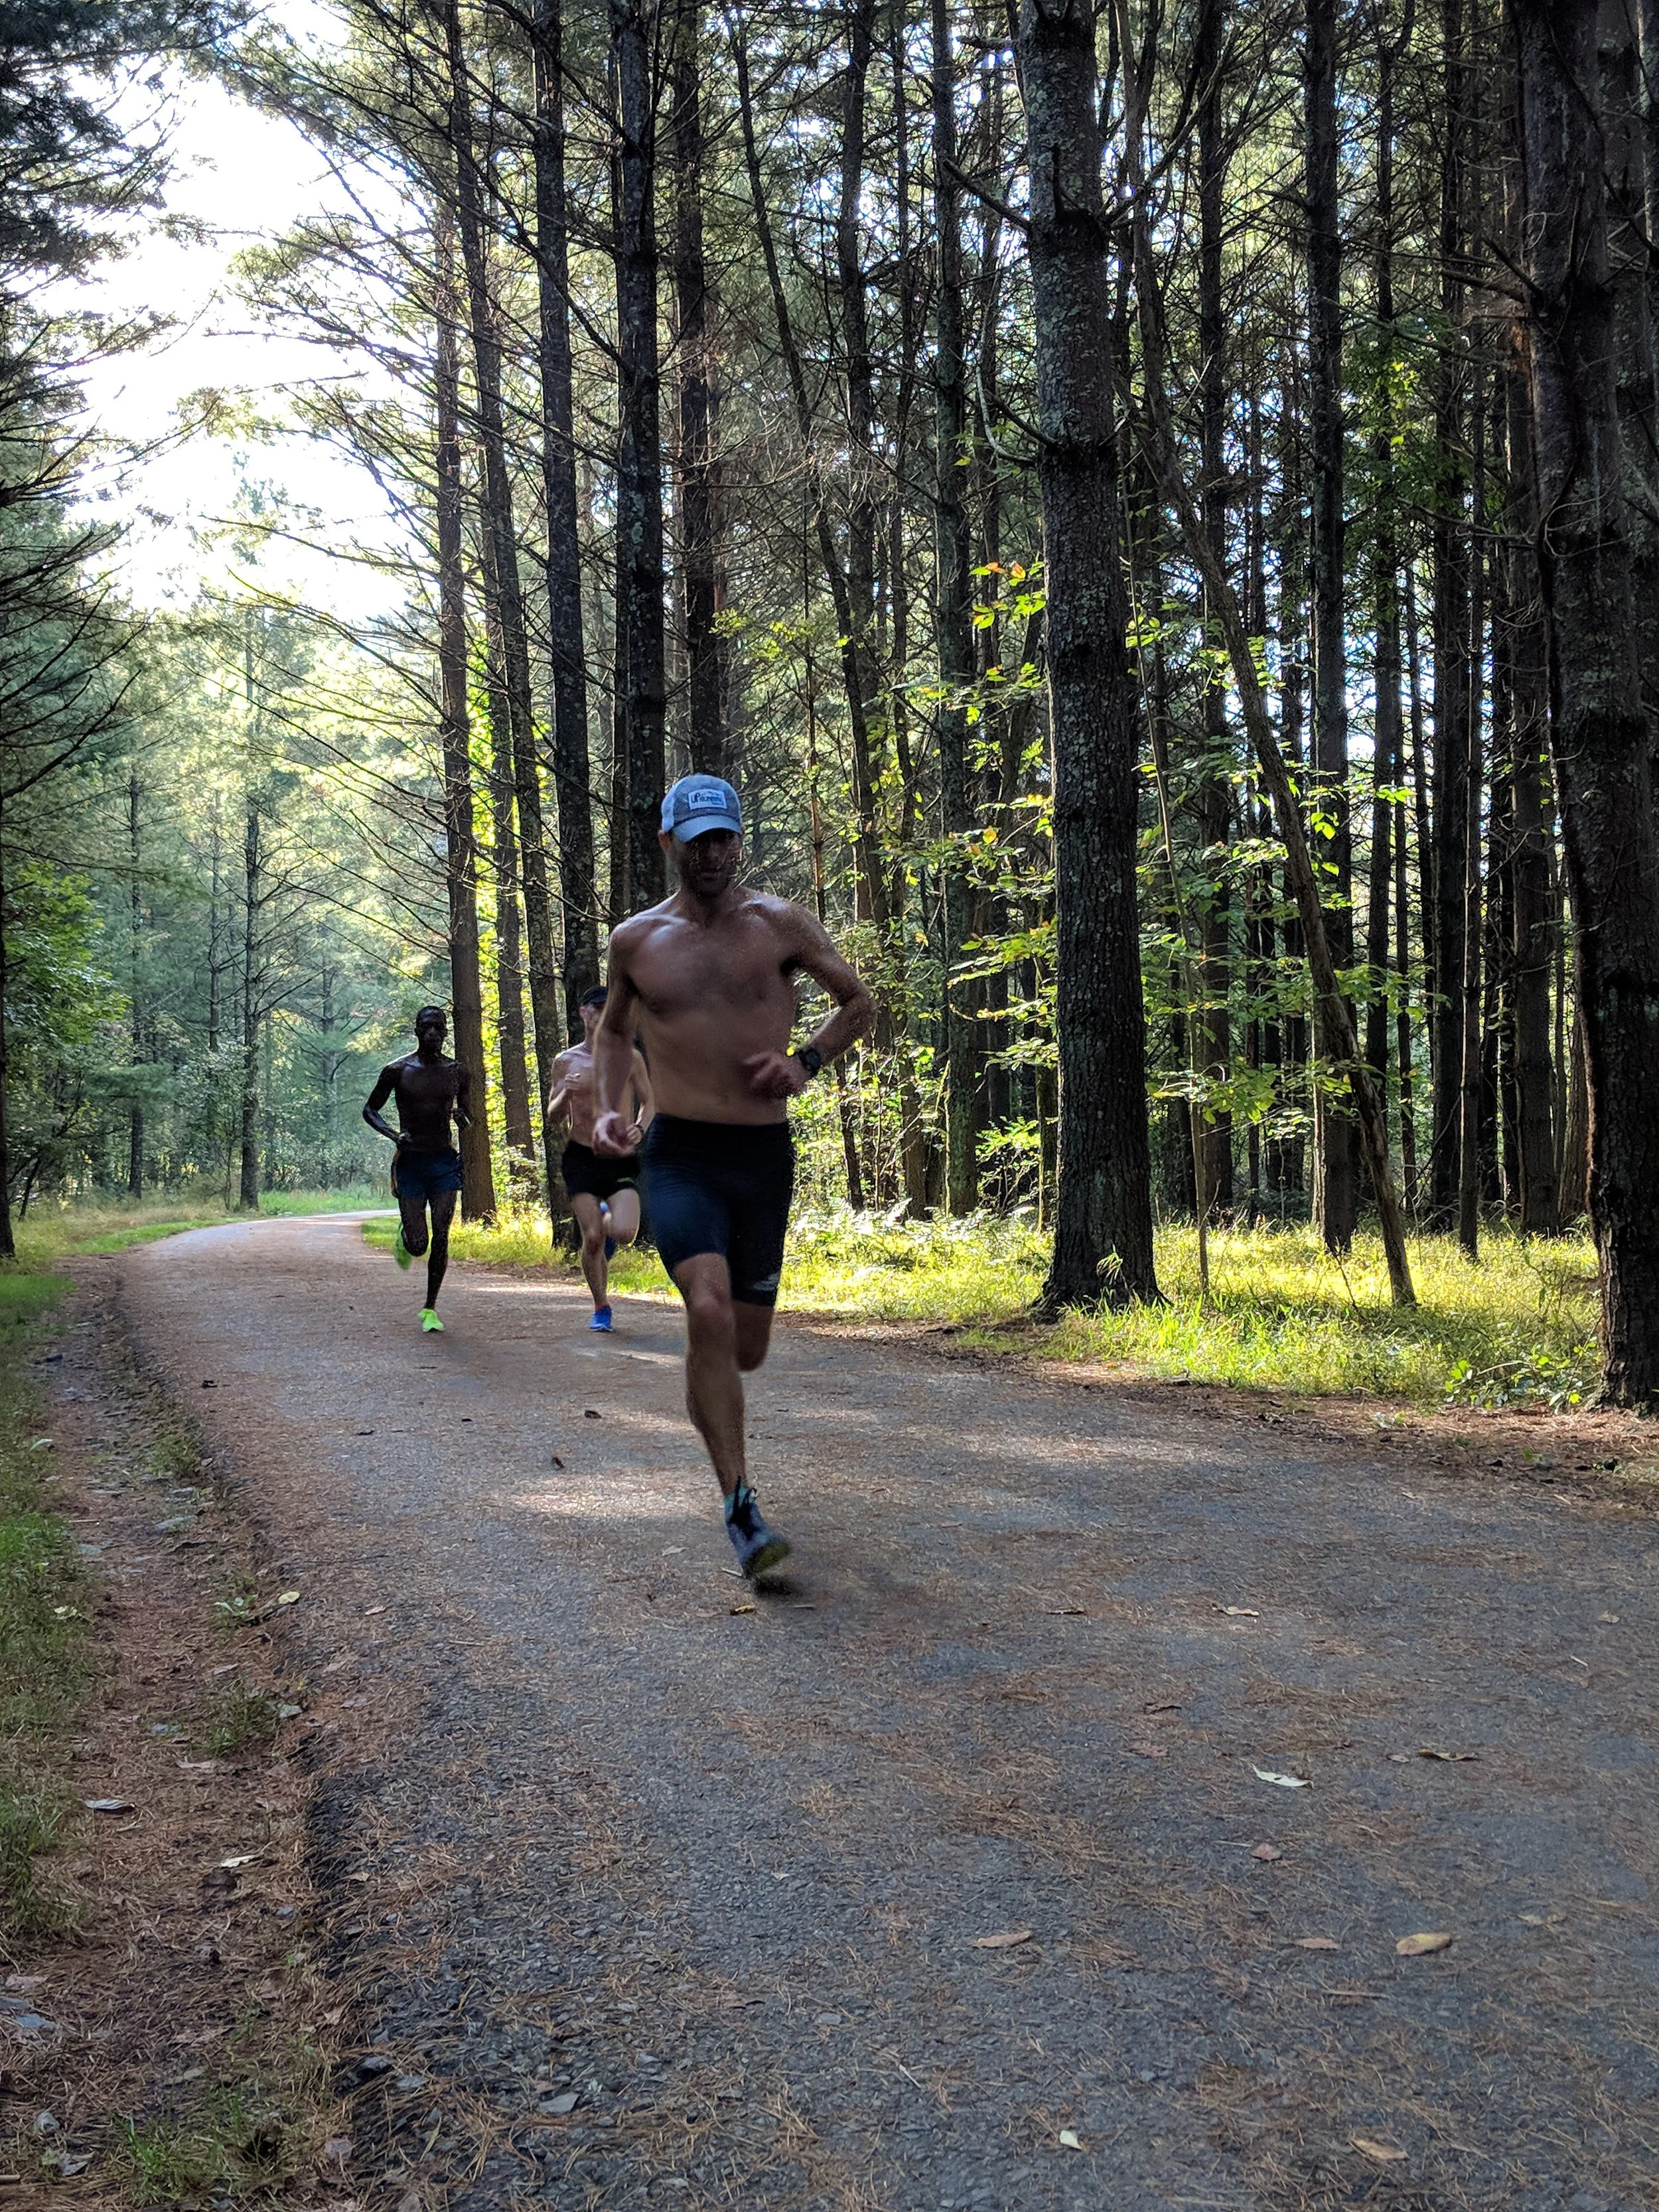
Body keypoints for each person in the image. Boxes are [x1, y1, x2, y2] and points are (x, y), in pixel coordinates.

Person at [591, 774, 874, 1576]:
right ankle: (740, 1505)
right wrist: (611, 1107)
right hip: (678, 1152)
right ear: (668, 843)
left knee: (745, 1349)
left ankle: (731, 1460)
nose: (713, 854)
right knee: (708, 1314)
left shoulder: (778, 924)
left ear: (738, 841)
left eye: (725, 838)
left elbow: (858, 1003)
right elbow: (613, 1032)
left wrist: (806, 1060)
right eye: (697, 839)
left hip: (761, 1158)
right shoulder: (636, 941)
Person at [544, 985, 655, 1333]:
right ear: (583, 1012)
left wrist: (641, 1127)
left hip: (620, 1155)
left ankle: (609, 1217)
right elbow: (552, 1116)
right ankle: (601, 1306)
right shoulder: (566, 1061)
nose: (604, 1013)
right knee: (592, 1238)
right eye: (597, 1007)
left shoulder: (629, 1057)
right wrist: (566, 1093)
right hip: (581, 1157)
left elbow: (650, 1101)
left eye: (610, 1007)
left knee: (623, 1233)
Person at [362, 1005, 473, 1333]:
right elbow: (370, 1110)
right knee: (419, 1244)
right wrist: (394, 1135)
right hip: (410, 1163)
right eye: (427, 1028)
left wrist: (461, 1119)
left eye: (439, 1028)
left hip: (443, 1161)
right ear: (417, 1031)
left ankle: (430, 1308)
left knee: (442, 1231)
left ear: (446, 1033)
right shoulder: (396, 1071)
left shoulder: (457, 1072)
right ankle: (406, 1236)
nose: (433, 1034)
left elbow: (468, 1117)